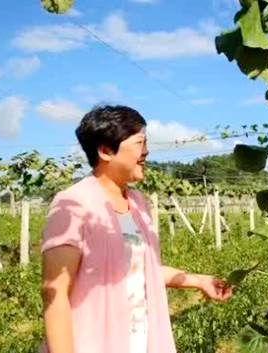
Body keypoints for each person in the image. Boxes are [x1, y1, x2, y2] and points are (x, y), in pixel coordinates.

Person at [41, 105, 233, 353]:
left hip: (140, 341)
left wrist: (199, 281)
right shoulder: (72, 204)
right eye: (139, 143)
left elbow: (142, 270)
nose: (146, 152)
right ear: (105, 151)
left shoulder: (138, 203)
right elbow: (53, 291)